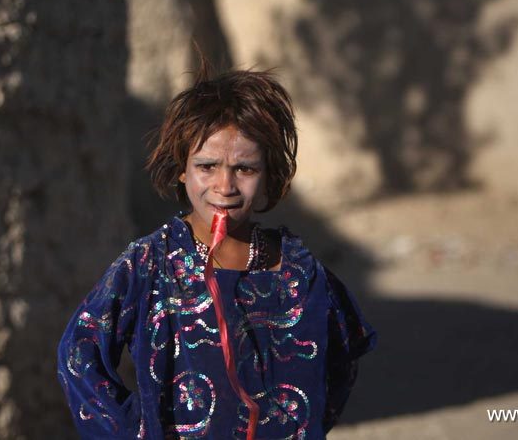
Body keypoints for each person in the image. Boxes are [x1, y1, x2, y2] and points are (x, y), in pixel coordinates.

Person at [57, 70, 376, 439]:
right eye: (207, 166)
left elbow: (341, 357)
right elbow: (78, 356)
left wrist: (303, 423)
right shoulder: (150, 264)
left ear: (269, 176)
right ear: (181, 169)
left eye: (245, 168)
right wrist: (134, 429)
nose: (224, 186)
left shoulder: (296, 270)